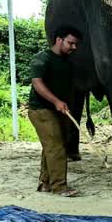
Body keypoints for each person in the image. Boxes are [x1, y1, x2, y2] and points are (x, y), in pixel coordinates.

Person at [28, 26, 84, 197]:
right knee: (56, 148)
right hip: (41, 110)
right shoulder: (42, 58)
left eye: (76, 44)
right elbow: (37, 83)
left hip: (60, 110)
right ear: (59, 40)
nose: (74, 47)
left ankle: (45, 183)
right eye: (70, 43)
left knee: (51, 147)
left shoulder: (67, 62)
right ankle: (60, 187)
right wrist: (56, 101)